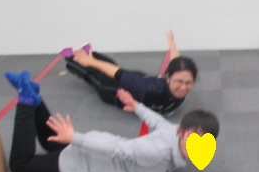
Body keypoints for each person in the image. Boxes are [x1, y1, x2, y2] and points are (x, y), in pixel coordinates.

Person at [4, 70, 219, 172]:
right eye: (192, 138)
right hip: (83, 164)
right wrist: (74, 137)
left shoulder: (174, 132)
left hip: (94, 146)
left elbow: (158, 123)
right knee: (20, 166)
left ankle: (33, 95)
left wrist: (137, 106)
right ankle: (26, 100)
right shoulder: (158, 153)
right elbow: (117, 150)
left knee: (49, 140)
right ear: (182, 131)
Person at [64, 31, 197, 115]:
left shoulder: (177, 77)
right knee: (94, 74)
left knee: (105, 69)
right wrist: (90, 62)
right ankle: (71, 58)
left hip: (132, 83)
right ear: (168, 78)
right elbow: (118, 73)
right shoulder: (149, 88)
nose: (183, 87)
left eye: (188, 83)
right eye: (179, 82)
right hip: (115, 89)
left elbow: (176, 62)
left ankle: (88, 57)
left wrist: (172, 44)